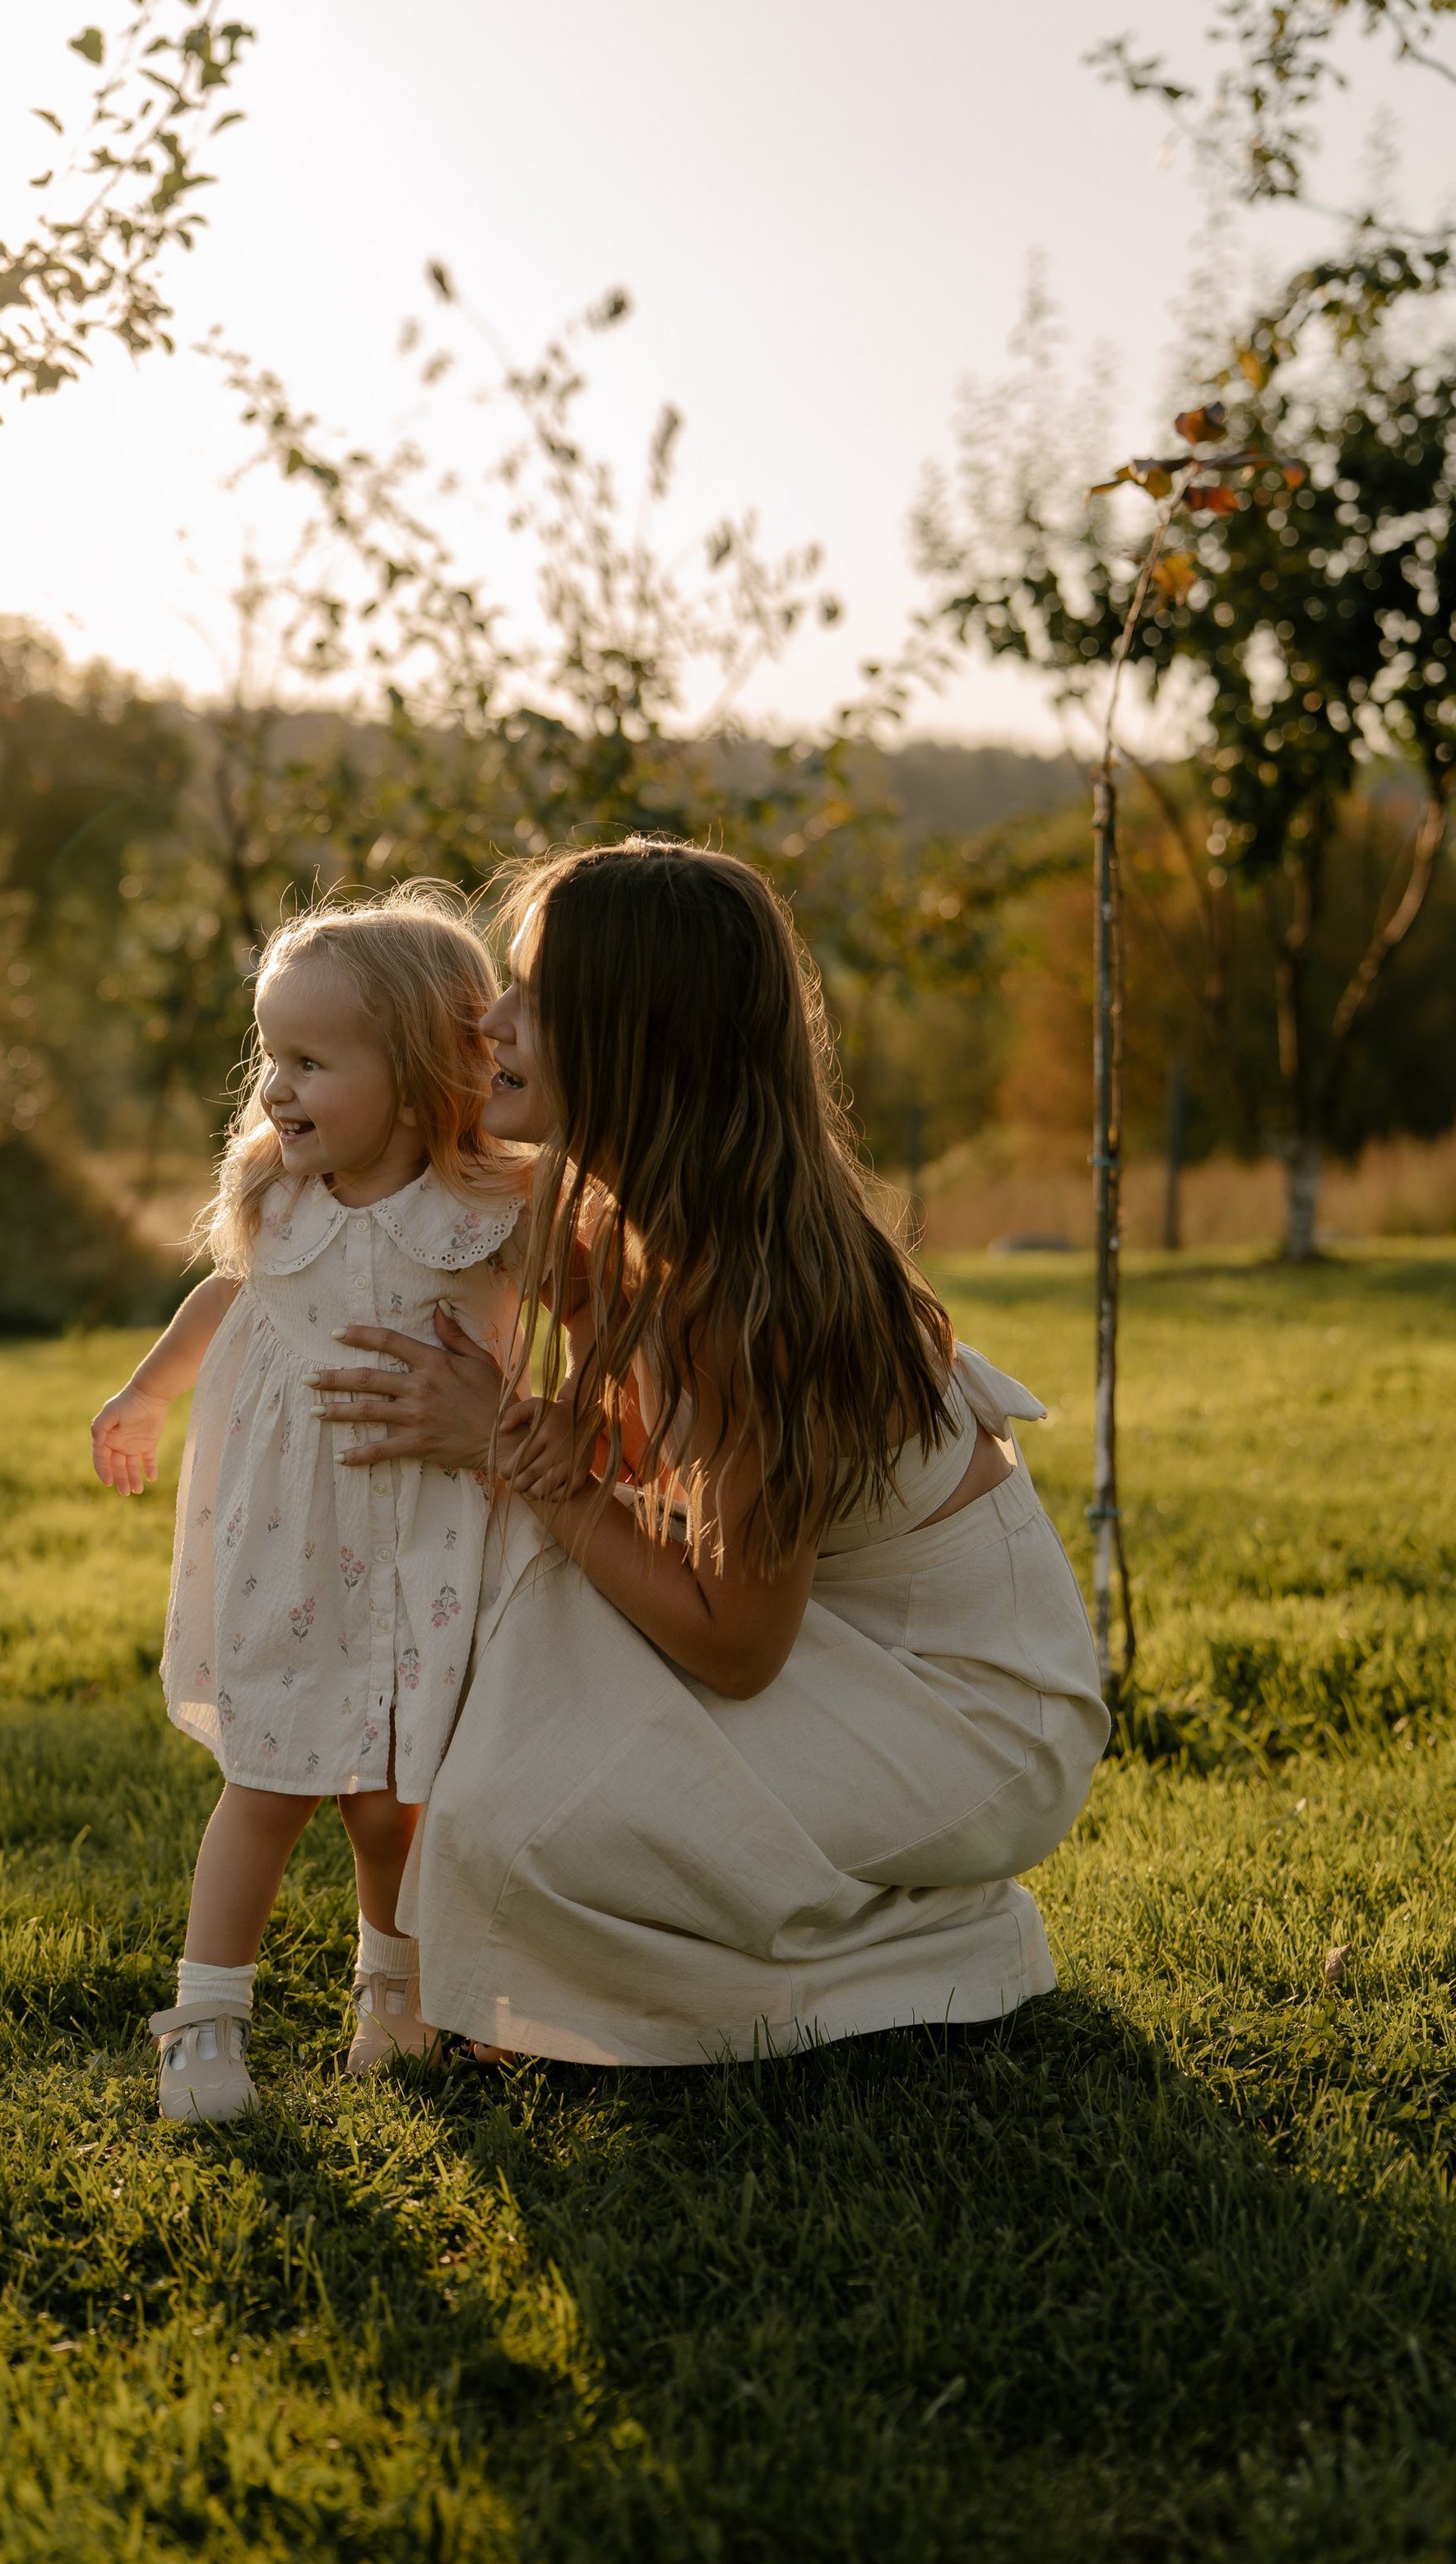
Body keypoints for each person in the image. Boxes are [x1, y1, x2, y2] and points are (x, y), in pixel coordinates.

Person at [307, 838, 1110, 2067]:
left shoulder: (757, 1299)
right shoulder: (621, 1214)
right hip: (845, 1644)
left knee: (528, 1828)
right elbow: (638, 1473)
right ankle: (677, 1942)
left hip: (974, 1720)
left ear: (641, 1036)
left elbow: (736, 1648)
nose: (492, 1019)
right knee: (513, 1663)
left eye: (535, 996)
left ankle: (923, 1943)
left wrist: (515, 1448)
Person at [90, 886, 528, 2119]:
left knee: (396, 1801)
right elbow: (226, 1300)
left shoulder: (489, 1211)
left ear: (422, 1076)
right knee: (270, 1783)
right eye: (271, 1057)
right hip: (292, 1547)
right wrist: (145, 1393)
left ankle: (396, 1995)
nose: (275, 1089)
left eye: (311, 1063)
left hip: (433, 1540)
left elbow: (592, 1312)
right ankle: (205, 2023)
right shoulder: (280, 1201)